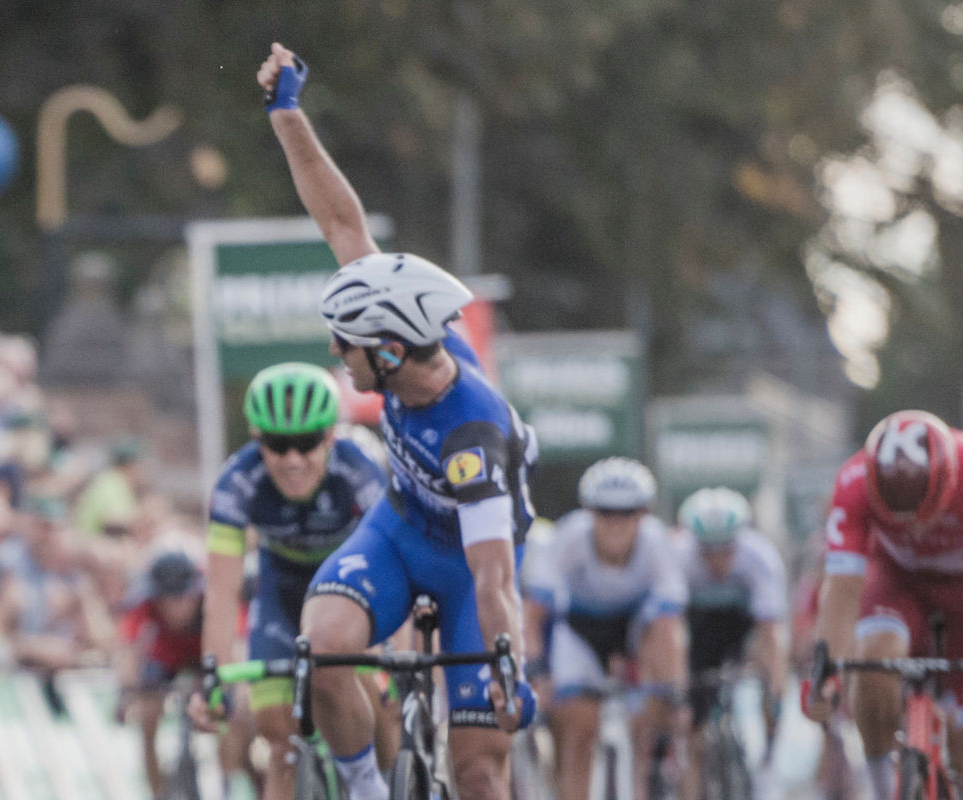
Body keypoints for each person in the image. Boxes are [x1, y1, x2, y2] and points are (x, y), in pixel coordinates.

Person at [259, 43, 538, 800]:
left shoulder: (469, 436)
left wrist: (507, 659)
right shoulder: (417, 339)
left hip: (473, 570)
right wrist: (288, 115)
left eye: (345, 344)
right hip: (400, 531)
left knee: (481, 769)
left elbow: (492, 573)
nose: (334, 353)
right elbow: (343, 223)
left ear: (387, 350)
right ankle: (364, 788)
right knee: (324, 652)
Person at [194, 362, 395, 800]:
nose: (293, 460)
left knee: (380, 711)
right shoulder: (236, 483)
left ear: (330, 437)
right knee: (280, 744)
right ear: (255, 438)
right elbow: (223, 593)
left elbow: (393, 565)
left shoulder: (360, 469)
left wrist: (389, 655)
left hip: (354, 587)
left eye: (306, 443)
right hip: (282, 594)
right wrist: (213, 678)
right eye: (277, 444)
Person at [802, 409, 963, 800]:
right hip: (896, 580)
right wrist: (825, 670)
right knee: (873, 662)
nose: (912, 528)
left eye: (923, 516)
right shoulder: (854, 481)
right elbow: (842, 588)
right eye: (898, 519)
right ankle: (879, 786)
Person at [521, 457, 687, 800]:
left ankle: (653, 763)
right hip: (580, 633)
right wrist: (536, 668)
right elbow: (534, 614)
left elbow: (669, 624)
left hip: (634, 632)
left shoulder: (657, 544)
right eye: (605, 512)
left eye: (627, 513)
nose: (616, 522)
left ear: (642, 515)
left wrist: (669, 690)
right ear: (589, 512)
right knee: (579, 730)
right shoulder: (568, 536)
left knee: (651, 712)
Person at [674, 487, 788, 800]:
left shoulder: (759, 557)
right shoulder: (680, 558)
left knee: (772, 694)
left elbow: (770, 633)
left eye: (725, 549)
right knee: (692, 733)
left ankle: (766, 763)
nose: (716, 560)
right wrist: (680, 689)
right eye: (707, 551)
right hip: (698, 633)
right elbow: (672, 632)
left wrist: (775, 687)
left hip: (742, 629)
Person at [115, 550, 207, 798]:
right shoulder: (143, 601)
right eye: (164, 599)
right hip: (165, 659)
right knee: (146, 718)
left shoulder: (211, 598)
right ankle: (158, 792)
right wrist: (126, 693)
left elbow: (233, 646)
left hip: (205, 656)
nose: (172, 607)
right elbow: (128, 651)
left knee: (222, 716)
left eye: (179, 598)